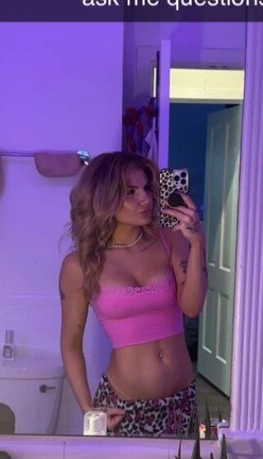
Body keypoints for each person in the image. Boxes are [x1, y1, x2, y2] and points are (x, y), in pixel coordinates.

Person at [59, 151, 207, 436]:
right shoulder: (79, 265)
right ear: (103, 197)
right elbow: (70, 344)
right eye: (130, 192)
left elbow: (192, 307)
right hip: (123, 408)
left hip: (182, 402)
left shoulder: (170, 239)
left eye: (147, 188)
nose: (145, 199)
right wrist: (88, 408)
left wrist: (198, 243)